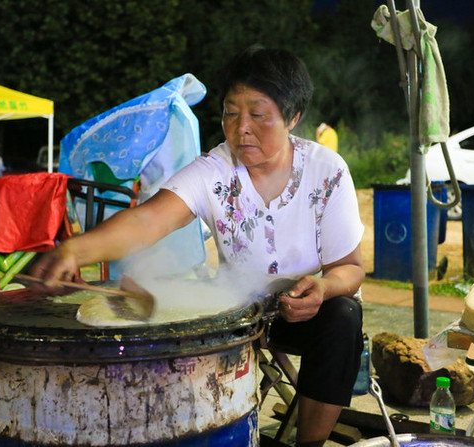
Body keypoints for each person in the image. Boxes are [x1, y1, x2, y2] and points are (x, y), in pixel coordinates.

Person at [31, 47, 365, 447]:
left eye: (258, 114)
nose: (241, 128)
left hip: (311, 314)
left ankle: (309, 443)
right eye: (230, 112)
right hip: (240, 314)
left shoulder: (327, 170)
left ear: (293, 117)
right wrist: (74, 251)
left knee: (343, 315)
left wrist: (324, 288)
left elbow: (350, 266)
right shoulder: (214, 170)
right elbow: (148, 219)